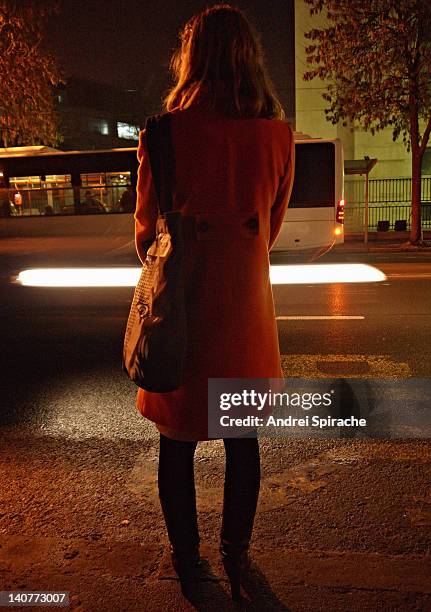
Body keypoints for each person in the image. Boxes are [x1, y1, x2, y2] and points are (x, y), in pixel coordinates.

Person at [134, 3, 295, 601]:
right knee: (242, 439)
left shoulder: (163, 133)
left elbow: (146, 235)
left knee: (177, 444)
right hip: (246, 311)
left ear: (191, 58)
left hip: (184, 310)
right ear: (251, 58)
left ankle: (189, 563)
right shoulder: (278, 136)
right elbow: (271, 232)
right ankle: (238, 555)